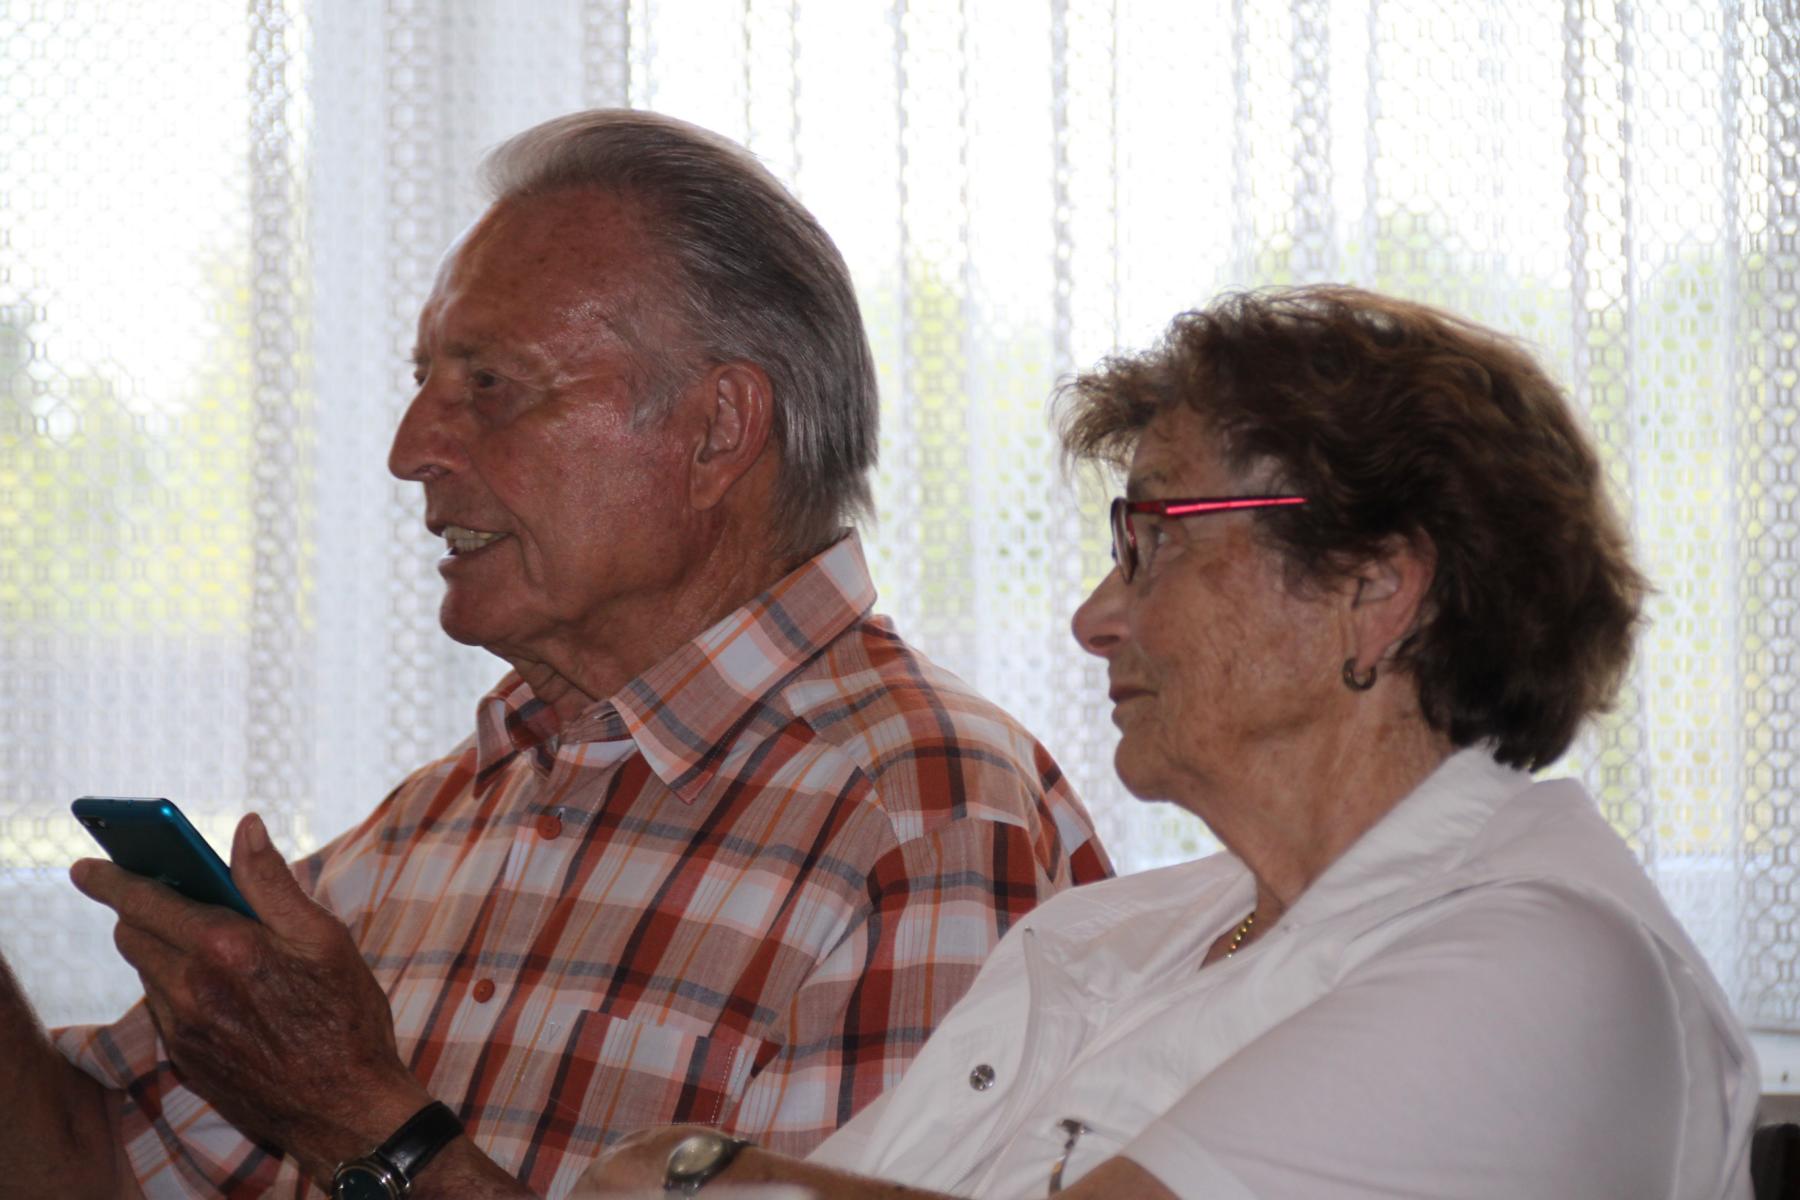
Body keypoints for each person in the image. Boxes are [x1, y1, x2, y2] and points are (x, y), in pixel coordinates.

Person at [0, 110, 1110, 1199]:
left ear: (719, 430)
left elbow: (336, 1112)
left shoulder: (922, 823)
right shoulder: (439, 819)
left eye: (491, 385)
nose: (410, 450)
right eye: (425, 380)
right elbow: (88, 1168)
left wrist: (362, 1123)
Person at [569, 286, 1758, 1199]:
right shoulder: (1110, 938)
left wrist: (700, 1173)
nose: (1095, 617)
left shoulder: (1545, 960)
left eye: (1156, 539)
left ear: (1376, 591)